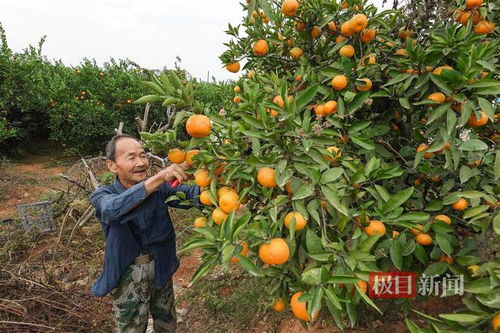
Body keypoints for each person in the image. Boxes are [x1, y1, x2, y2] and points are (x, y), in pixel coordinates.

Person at [90, 134, 200, 333]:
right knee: (131, 329)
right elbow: (113, 211)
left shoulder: (160, 190)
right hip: (128, 274)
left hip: (161, 266)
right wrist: (159, 177)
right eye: (131, 157)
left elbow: (192, 196)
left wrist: (214, 176)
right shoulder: (103, 196)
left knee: (167, 324)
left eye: (143, 156)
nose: (141, 163)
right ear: (112, 166)